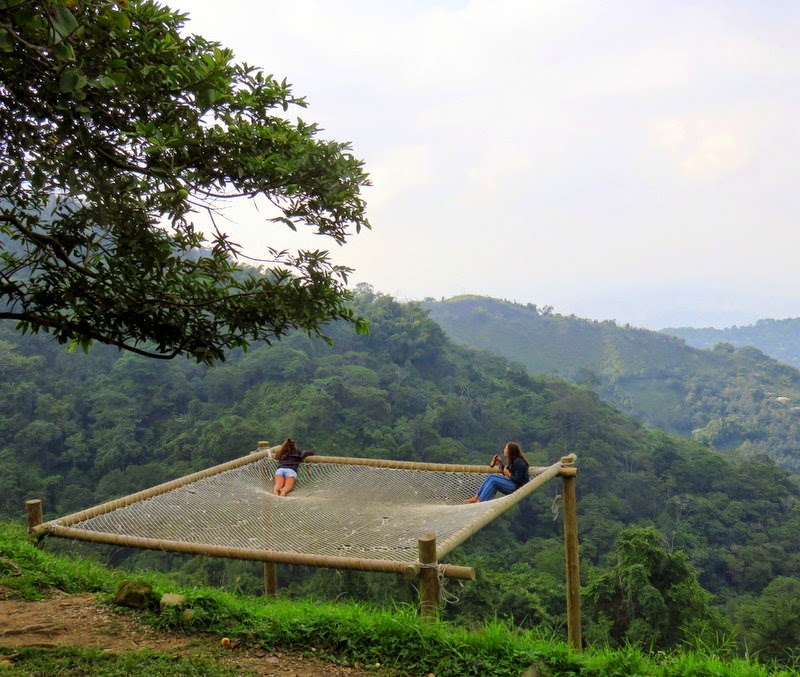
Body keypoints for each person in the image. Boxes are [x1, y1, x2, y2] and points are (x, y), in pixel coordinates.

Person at [464, 442, 530, 503]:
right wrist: (500, 463)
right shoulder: (513, 461)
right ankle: (477, 497)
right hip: (513, 484)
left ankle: (480, 501)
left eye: (506, 449)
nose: (504, 450)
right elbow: (506, 472)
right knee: (491, 476)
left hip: (518, 489)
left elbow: (519, 480)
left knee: (493, 481)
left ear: (510, 451)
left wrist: (509, 474)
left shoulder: (518, 462)